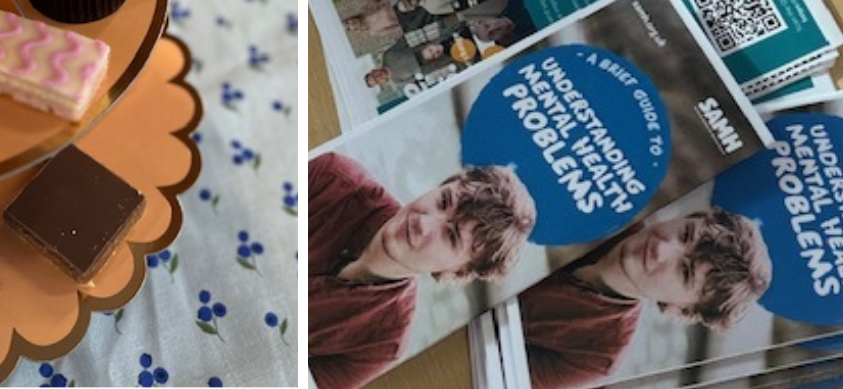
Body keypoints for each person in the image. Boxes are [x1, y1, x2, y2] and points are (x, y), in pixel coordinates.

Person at [309, 151, 537, 389]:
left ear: (456, 272)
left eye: (451, 236)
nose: (423, 222)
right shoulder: (334, 177)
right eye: (443, 201)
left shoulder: (385, 342)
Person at [519, 207, 772, 389]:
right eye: (685, 233)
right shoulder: (607, 206)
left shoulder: (597, 355)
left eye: (685, 271)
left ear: (680, 310)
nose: (661, 248)